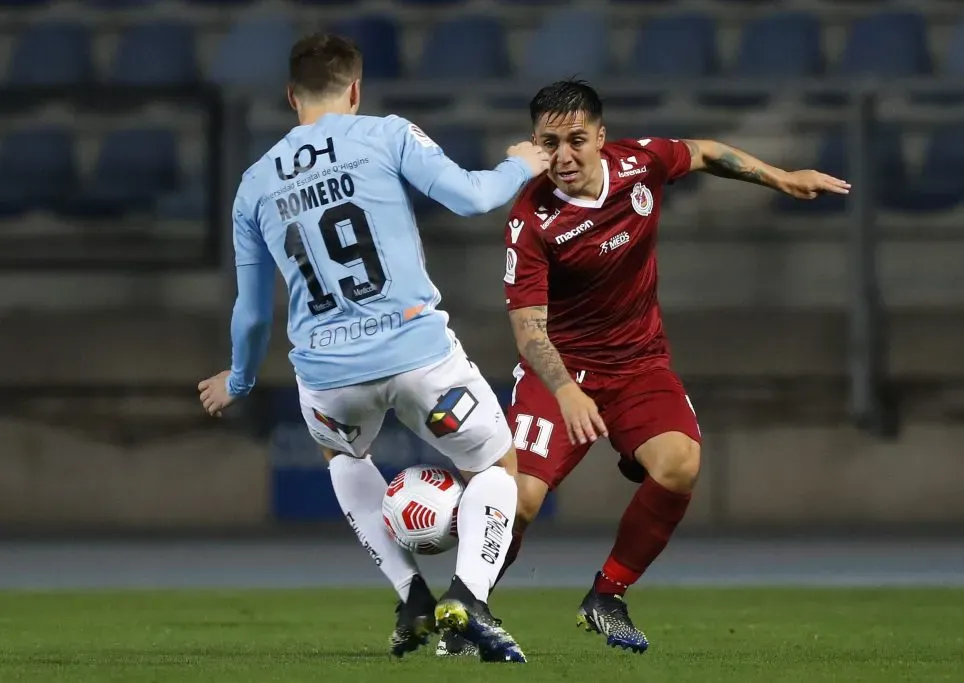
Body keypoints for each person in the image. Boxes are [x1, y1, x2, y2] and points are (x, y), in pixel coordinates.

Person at [436, 78, 850, 657]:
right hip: (560, 373)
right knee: (520, 498)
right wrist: (567, 391)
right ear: (534, 145)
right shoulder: (529, 222)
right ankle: (468, 612)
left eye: (576, 139)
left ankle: (607, 596)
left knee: (679, 463)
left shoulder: (639, 163)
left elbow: (704, 152)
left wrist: (780, 177)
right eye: (548, 143)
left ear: (601, 138)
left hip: (637, 364)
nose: (563, 156)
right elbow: (529, 330)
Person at [196, 33, 551, 663]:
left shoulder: (253, 185)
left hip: (329, 380)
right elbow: (472, 196)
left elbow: (251, 313)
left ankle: (410, 596)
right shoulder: (385, 134)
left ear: (290, 96)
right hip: (421, 362)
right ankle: (467, 597)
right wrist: (523, 163)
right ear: (355, 90)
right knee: (498, 471)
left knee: (343, 459)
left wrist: (241, 381)